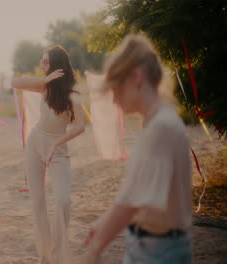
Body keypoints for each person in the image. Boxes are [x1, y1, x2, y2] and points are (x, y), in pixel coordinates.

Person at [83, 34, 192, 264]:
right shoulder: (158, 121)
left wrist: (96, 246)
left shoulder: (161, 127)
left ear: (136, 77)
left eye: (116, 90)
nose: (114, 100)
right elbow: (136, 192)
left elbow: (131, 201)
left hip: (158, 251)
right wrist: (101, 223)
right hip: (155, 245)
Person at [11, 45, 85, 264]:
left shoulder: (73, 92)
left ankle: (59, 252)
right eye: (41, 61)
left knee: (63, 200)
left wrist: (56, 144)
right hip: (34, 144)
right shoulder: (44, 86)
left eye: (45, 61)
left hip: (58, 149)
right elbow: (15, 83)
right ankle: (45, 257)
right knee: (38, 202)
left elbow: (80, 126)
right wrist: (44, 80)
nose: (41, 64)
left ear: (56, 64)